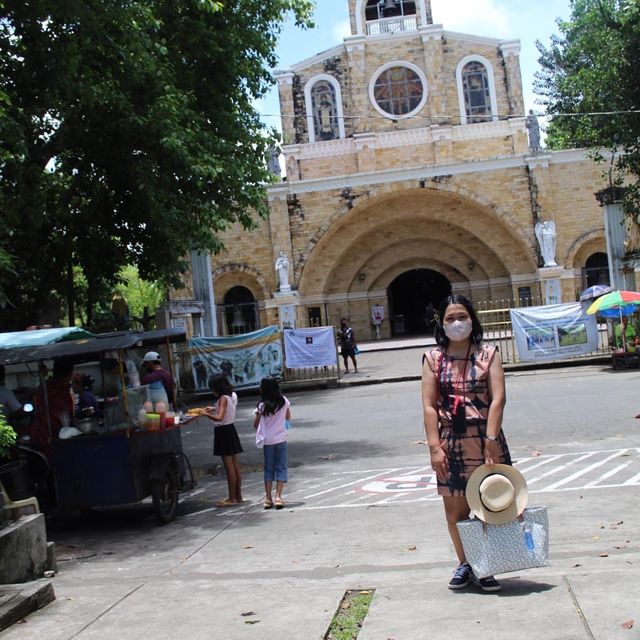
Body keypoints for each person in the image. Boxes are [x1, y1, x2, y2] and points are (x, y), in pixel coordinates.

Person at [421, 294, 512, 592]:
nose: (457, 323)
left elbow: (498, 397)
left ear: (472, 319)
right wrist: (435, 447)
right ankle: (466, 563)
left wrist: (490, 439)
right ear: (441, 324)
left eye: (462, 316)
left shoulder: (489, 354)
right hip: (451, 441)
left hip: (485, 439)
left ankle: (485, 566)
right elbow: (430, 406)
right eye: (450, 318)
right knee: (455, 512)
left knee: (491, 505)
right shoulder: (433, 359)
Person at [204, 374, 243, 507]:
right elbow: (225, 410)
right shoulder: (231, 396)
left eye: (212, 388)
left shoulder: (222, 399)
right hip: (231, 429)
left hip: (223, 432)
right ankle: (238, 496)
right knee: (235, 465)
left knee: (229, 467)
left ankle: (232, 498)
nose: (212, 391)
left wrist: (207, 414)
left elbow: (220, 417)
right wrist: (214, 408)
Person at [253, 377, 291, 509]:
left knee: (269, 468)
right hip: (280, 439)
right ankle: (278, 497)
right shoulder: (284, 401)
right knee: (281, 467)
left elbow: (256, 424)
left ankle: (268, 498)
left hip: (268, 441)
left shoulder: (262, 405)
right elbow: (288, 417)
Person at [31, 358, 75, 455]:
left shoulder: (43, 387)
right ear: (70, 373)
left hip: (40, 434)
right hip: (55, 437)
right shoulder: (62, 390)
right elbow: (68, 415)